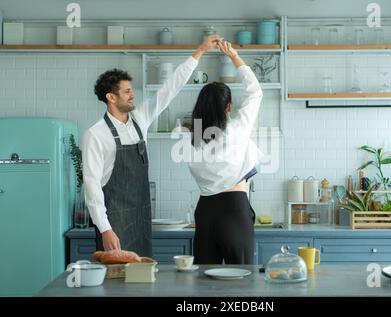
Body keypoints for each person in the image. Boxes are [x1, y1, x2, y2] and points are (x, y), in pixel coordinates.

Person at [83, 35, 222, 256]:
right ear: (111, 97)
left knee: (141, 280)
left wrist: (200, 51)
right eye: (127, 91)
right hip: (114, 223)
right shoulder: (95, 134)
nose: (133, 95)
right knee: (114, 284)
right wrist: (105, 228)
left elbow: (170, 88)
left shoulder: (140, 119)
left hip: (142, 220)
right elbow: (91, 186)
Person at [187, 40, 263, 264]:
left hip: (205, 211)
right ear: (229, 107)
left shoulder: (193, 139)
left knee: (204, 279)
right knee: (242, 278)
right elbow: (255, 92)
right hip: (234, 208)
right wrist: (234, 56)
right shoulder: (237, 128)